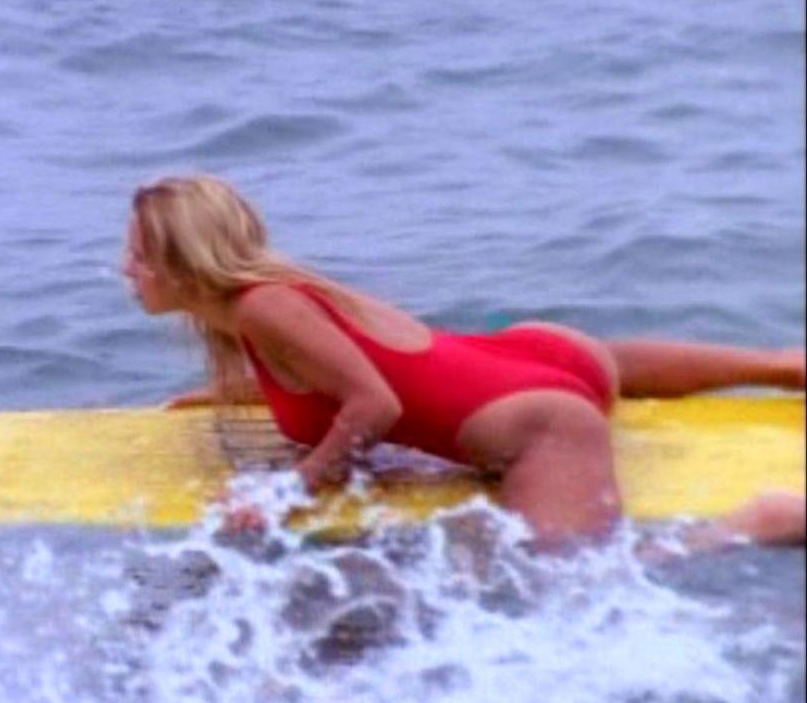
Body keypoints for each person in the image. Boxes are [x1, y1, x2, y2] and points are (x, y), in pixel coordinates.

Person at [121, 174, 806, 548]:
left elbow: (375, 404)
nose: (127, 269)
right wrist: (228, 393)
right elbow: (333, 371)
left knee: (566, 591)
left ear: (186, 263)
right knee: (609, 364)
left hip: (545, 429)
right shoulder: (272, 300)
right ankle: (779, 366)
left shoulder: (263, 307)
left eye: (139, 255)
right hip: (533, 356)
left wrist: (289, 488)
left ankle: (761, 521)